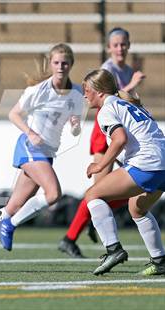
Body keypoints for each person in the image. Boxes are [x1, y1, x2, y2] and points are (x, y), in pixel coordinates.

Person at [0, 43, 83, 264]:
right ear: (50, 63)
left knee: (14, 205)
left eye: (65, 63)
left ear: (71, 65)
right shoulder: (38, 90)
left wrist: (75, 125)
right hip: (30, 147)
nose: (60, 67)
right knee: (53, 194)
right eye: (56, 62)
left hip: (46, 153)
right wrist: (30, 132)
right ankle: (10, 225)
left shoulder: (76, 93)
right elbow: (14, 114)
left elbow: (75, 127)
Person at [58, 27, 146, 258]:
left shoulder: (126, 69)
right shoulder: (108, 69)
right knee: (98, 191)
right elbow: (109, 98)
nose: (120, 48)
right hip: (105, 134)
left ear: (129, 45)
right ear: (109, 47)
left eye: (123, 44)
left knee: (118, 192)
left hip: (120, 133)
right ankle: (71, 237)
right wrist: (132, 86)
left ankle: (91, 220)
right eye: (115, 44)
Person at [82, 68, 165, 276]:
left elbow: (120, 139)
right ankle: (160, 260)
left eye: (87, 90)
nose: (84, 95)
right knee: (137, 207)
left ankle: (113, 249)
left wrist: (100, 166)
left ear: (99, 92)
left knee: (92, 195)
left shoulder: (107, 110)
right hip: (162, 163)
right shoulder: (128, 104)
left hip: (148, 163)